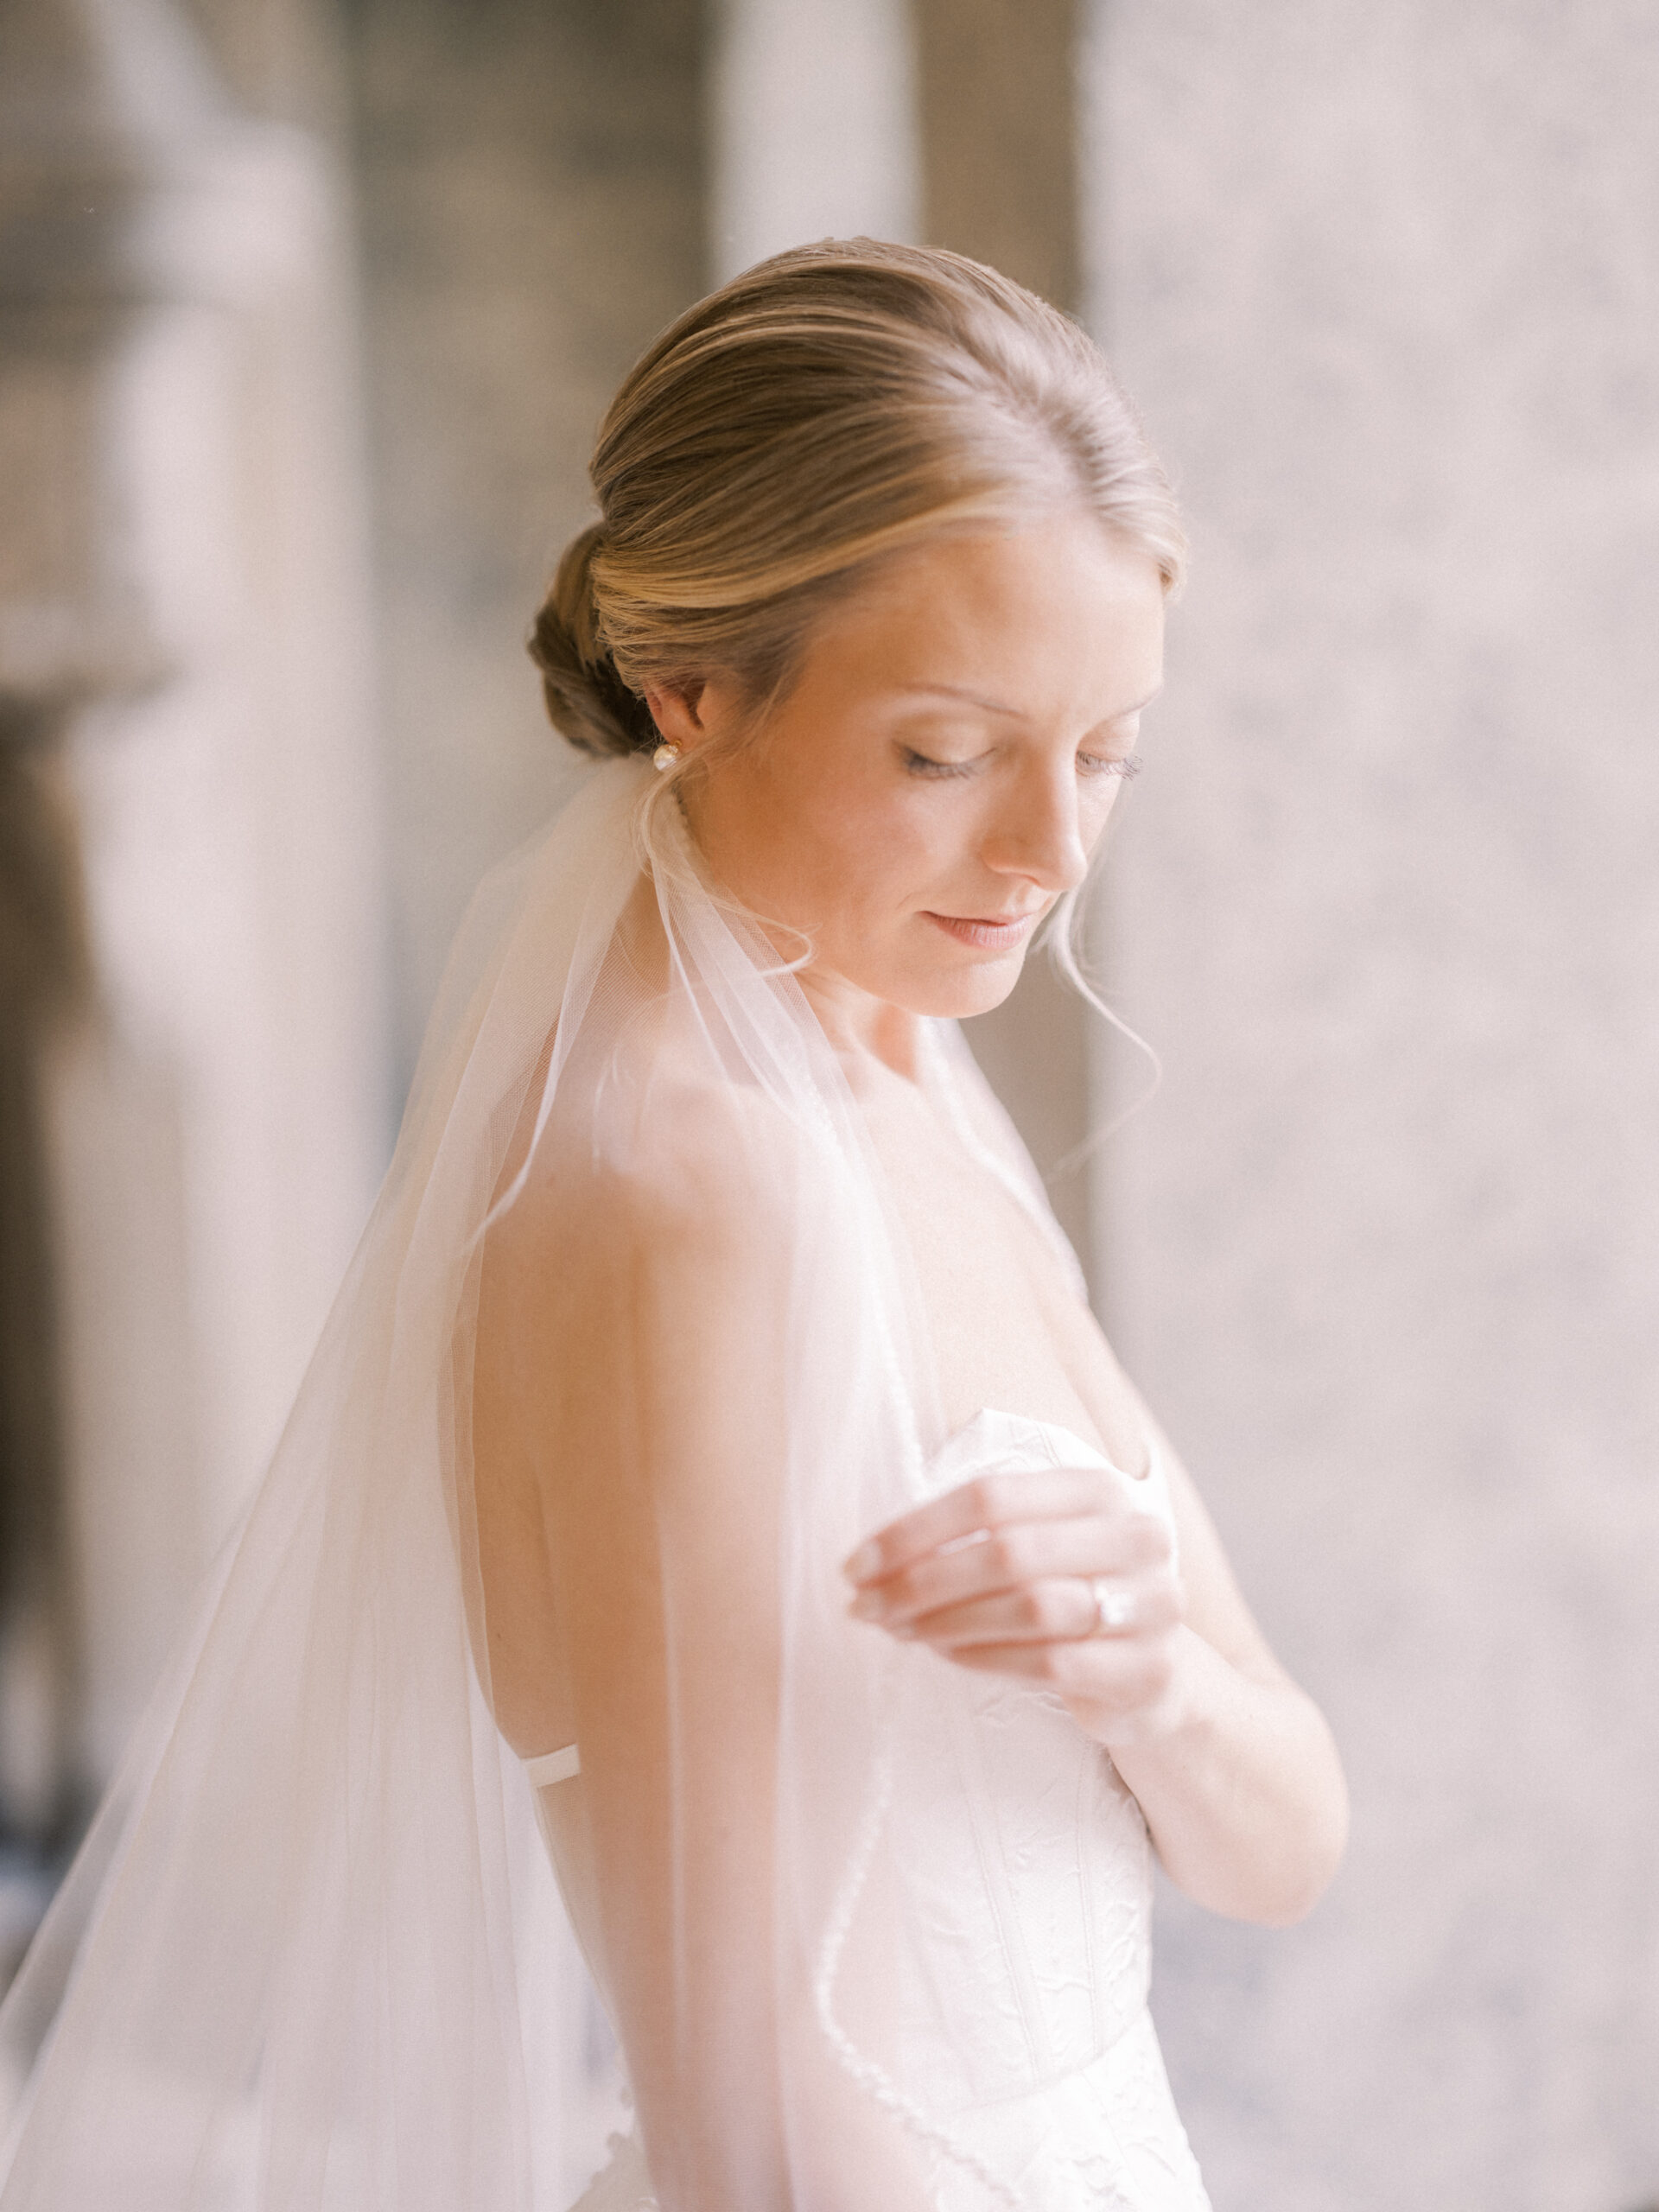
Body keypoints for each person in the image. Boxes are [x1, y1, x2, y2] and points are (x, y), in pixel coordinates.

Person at [0, 240, 1345, 2211]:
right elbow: (746, 2130)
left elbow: (1282, 1843)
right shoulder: (684, 1194)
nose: (1052, 853)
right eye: (948, 753)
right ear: (688, 684)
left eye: (1109, 749)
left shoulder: (894, 1058)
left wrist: (1147, 1670)